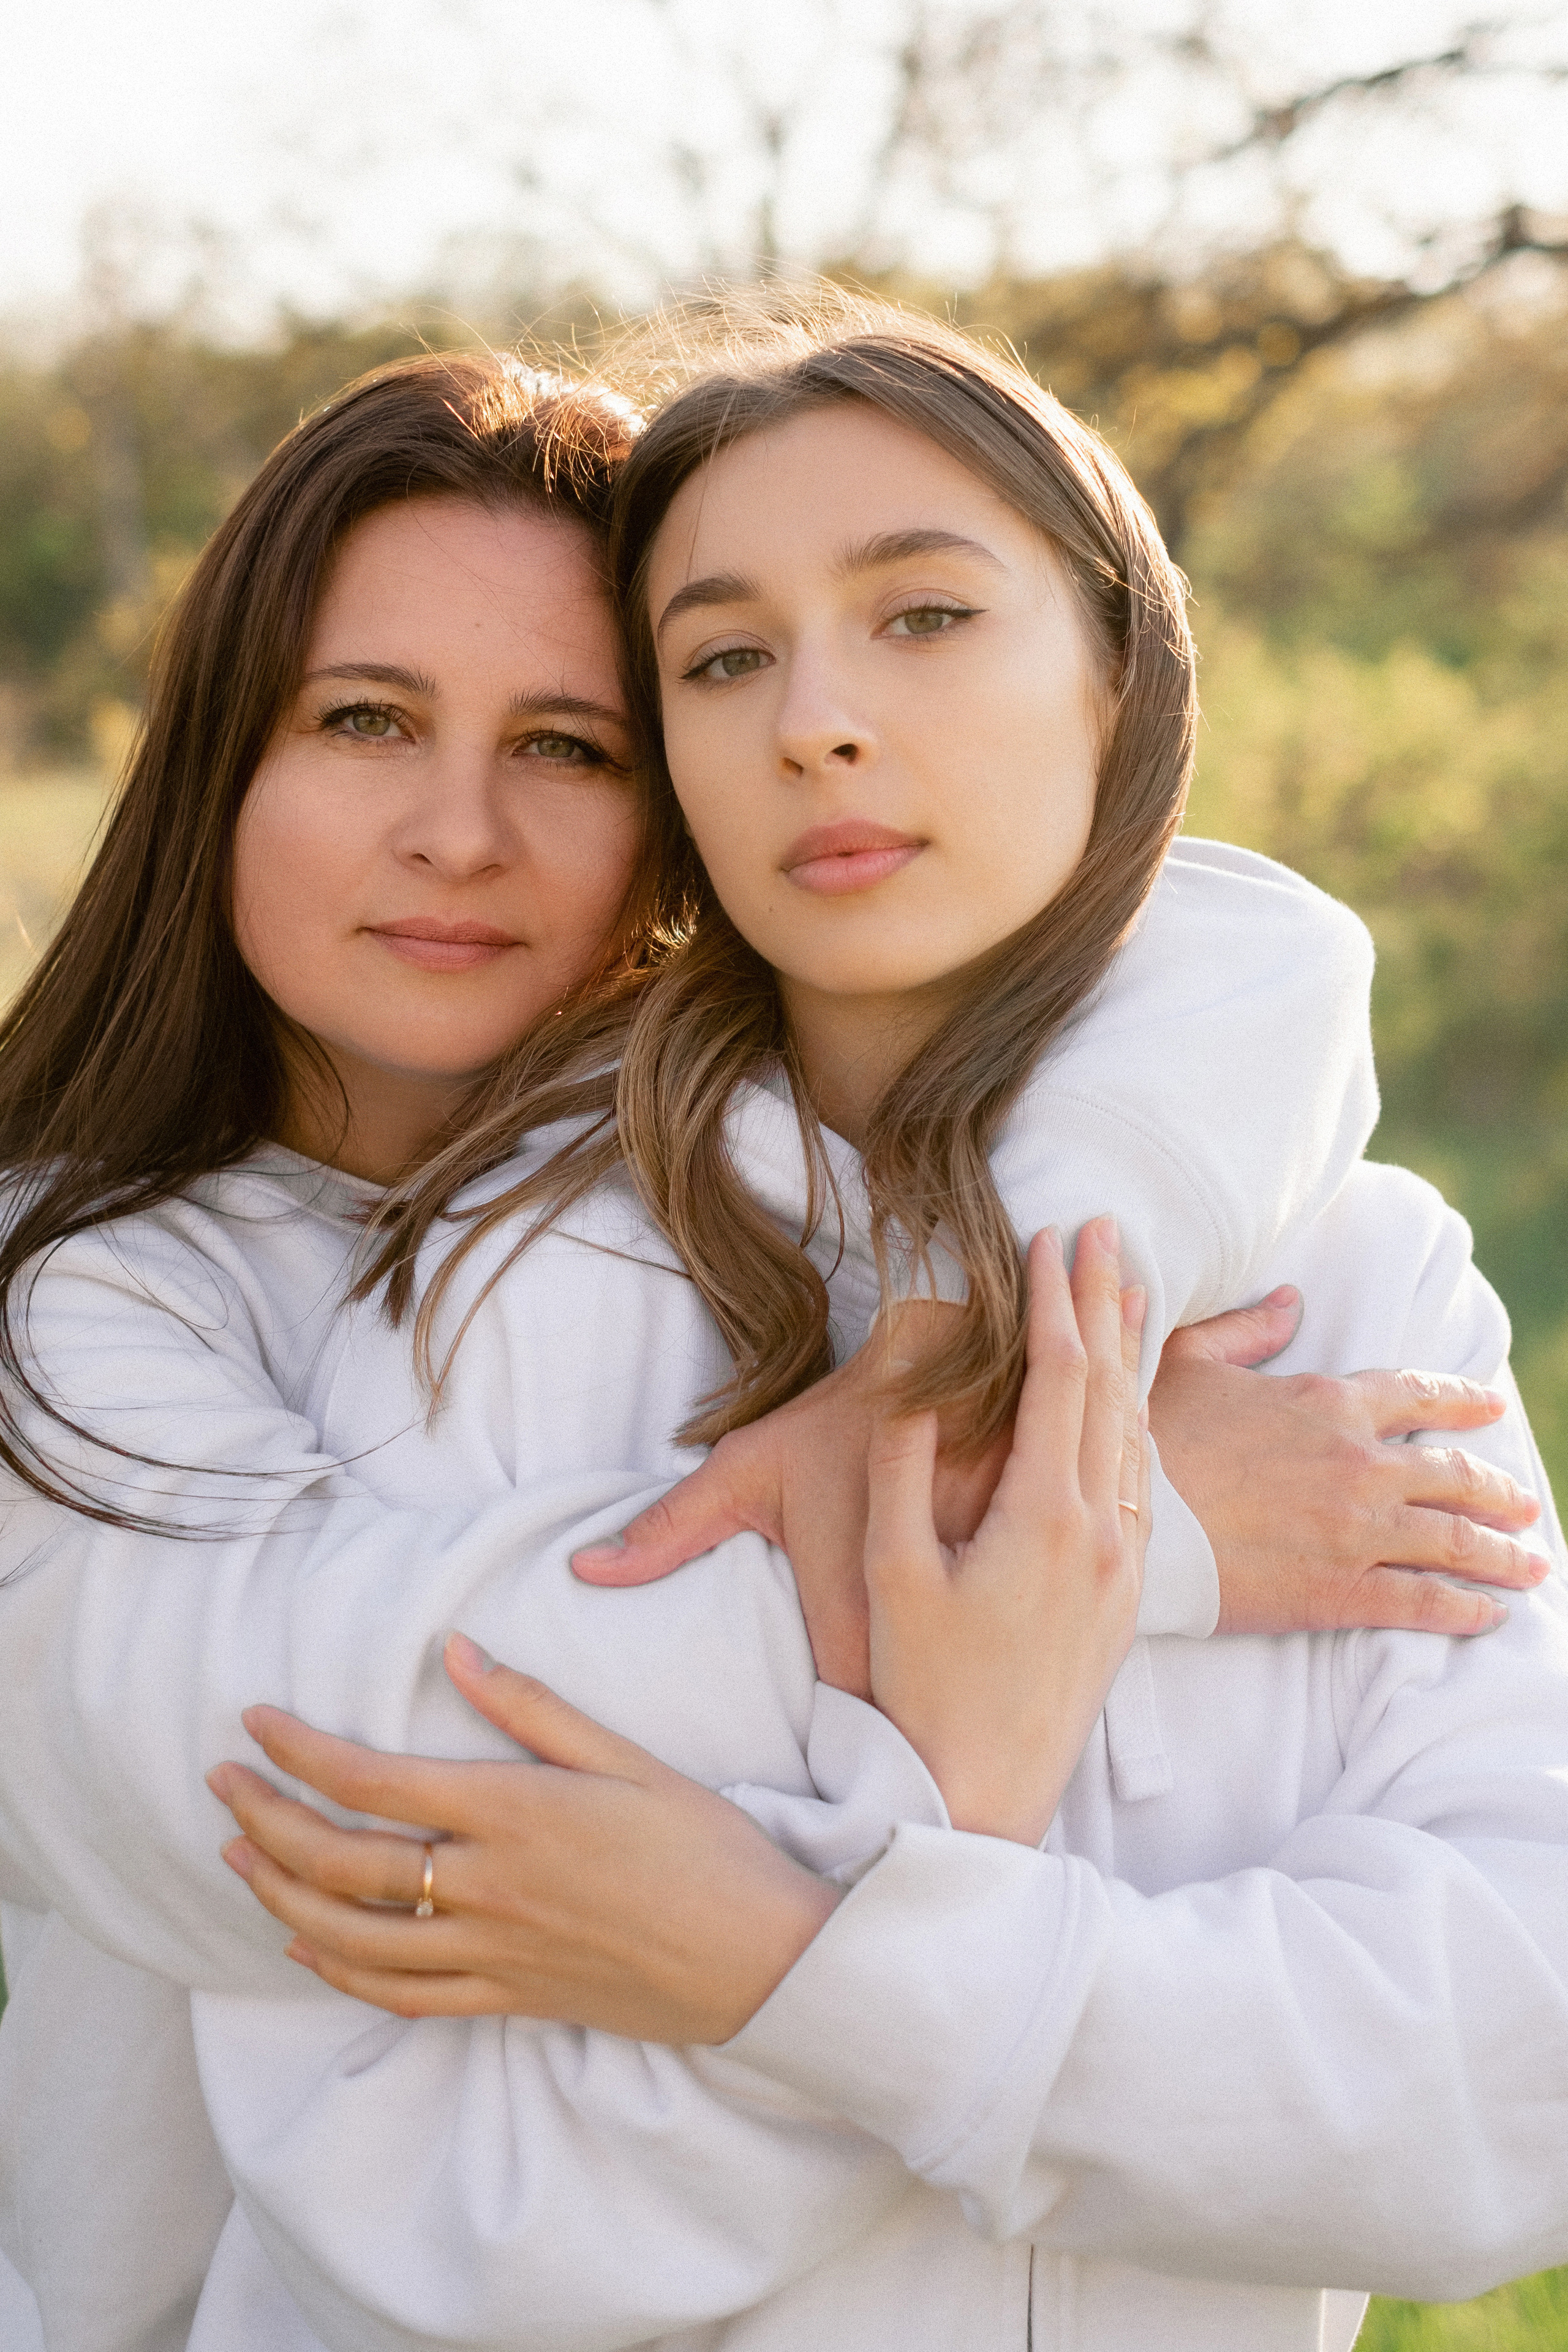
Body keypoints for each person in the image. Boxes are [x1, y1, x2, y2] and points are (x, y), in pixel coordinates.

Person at [0, 328, 1550, 2352]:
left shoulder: (1349, 1285)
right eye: (366, 717)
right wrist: (1087, 1526)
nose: (459, 832)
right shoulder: (432, 1288)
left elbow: (1501, 2080)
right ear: (217, 754)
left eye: (566, 744)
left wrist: (811, 1963)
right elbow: (312, 1814)